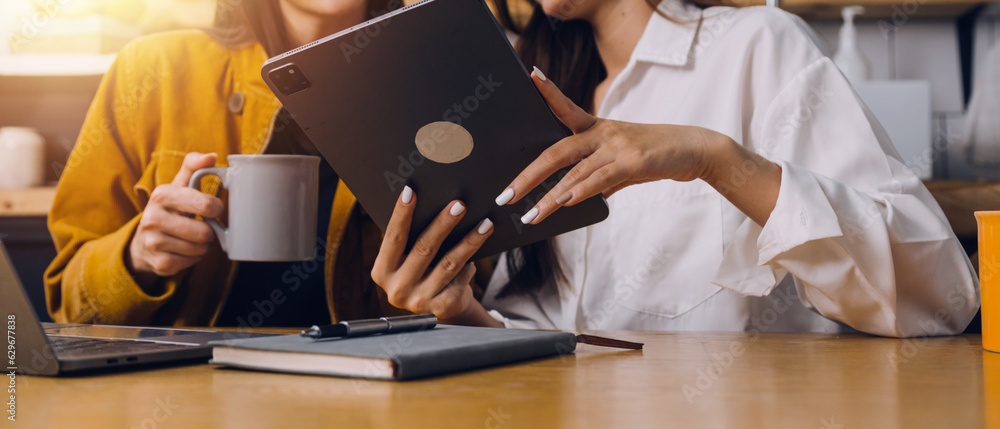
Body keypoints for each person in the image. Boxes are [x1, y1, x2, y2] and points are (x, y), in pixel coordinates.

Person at [371, 0, 980, 337]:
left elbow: (941, 297)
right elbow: (552, 338)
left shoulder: (758, 45)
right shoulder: (528, 98)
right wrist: (463, 313)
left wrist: (717, 160)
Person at [42, 0, 456, 327]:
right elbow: (70, 310)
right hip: (183, 394)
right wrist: (136, 258)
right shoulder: (153, 71)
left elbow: (472, 294)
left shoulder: (434, 87)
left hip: (368, 391)